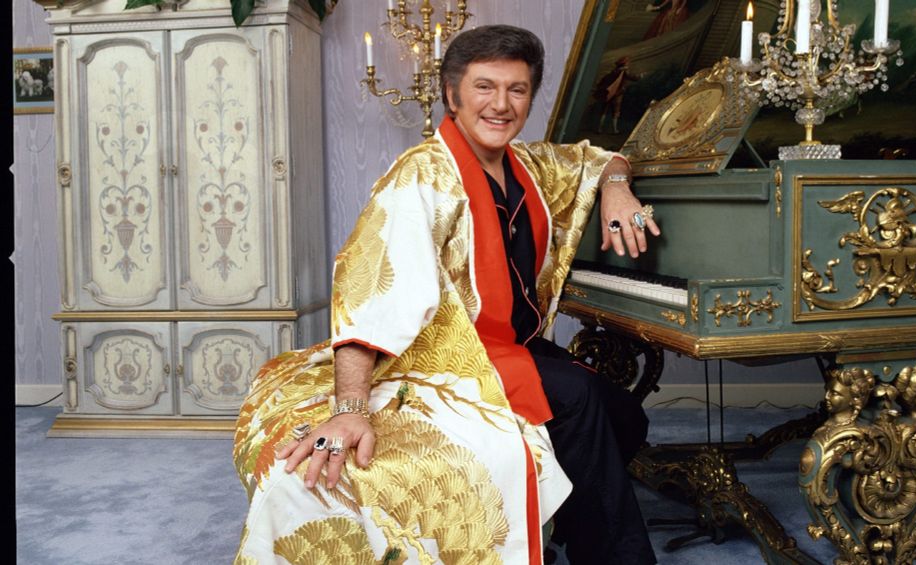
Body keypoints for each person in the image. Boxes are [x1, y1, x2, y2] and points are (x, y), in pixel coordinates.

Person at [233, 24, 659, 565]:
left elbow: (598, 158)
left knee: (628, 416)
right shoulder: (420, 178)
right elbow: (370, 297)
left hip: (511, 347)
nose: (501, 105)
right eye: (485, 87)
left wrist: (617, 187)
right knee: (578, 397)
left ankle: (562, 523)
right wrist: (349, 408)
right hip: (443, 355)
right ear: (452, 94)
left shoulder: (531, 165)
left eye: (517, 89)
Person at [593, 57, 640, 134]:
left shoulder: (613, 72)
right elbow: (633, 78)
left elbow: (603, 80)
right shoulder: (624, 72)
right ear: (624, 64)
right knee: (615, 112)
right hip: (617, 94)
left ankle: (599, 129)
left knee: (604, 111)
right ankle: (614, 130)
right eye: (627, 62)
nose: (628, 63)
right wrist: (641, 76)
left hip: (608, 94)